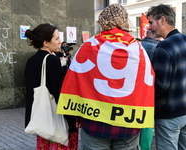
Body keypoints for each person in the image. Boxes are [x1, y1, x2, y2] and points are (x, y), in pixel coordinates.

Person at [57, 4, 155, 150]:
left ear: (102, 21)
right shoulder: (138, 48)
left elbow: (75, 82)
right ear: (124, 21)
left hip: (94, 123)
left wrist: (76, 116)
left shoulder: (89, 45)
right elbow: (147, 83)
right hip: (128, 124)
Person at [24, 23, 78, 150]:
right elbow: (59, 94)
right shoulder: (52, 61)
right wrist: (72, 121)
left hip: (42, 120)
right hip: (57, 120)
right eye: (57, 38)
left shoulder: (31, 61)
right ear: (46, 43)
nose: (60, 42)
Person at [147, 4, 186, 150]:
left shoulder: (164, 47)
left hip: (169, 114)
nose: (150, 27)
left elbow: (160, 86)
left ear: (162, 20)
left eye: (151, 22)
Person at [139, 29, 159, 150]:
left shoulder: (137, 46)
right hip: (151, 91)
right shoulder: (159, 48)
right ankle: (145, 147)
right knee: (148, 123)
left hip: (136, 91)